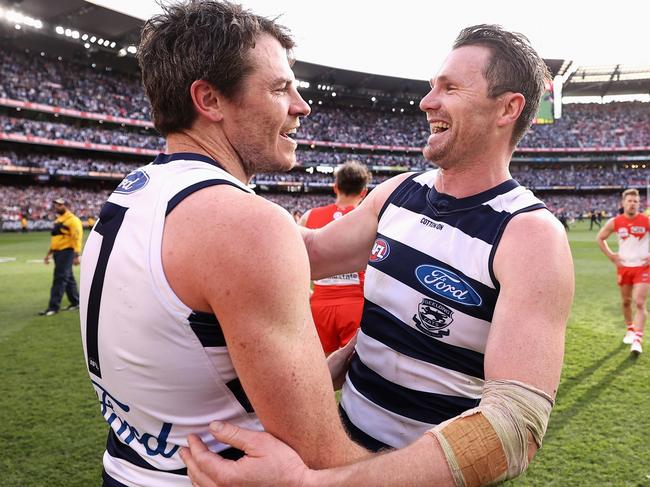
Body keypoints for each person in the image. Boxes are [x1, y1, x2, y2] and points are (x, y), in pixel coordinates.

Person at [180, 24, 574, 486]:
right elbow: (305, 252)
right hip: (341, 444)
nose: (428, 102)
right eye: (432, 86)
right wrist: (203, 185)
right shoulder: (398, 194)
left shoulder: (529, 234)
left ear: (508, 108)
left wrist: (307, 484)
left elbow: (513, 430)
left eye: (450, 88)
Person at [79, 3, 366, 486]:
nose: (302, 105)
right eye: (280, 88)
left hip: (132, 468)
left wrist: (315, 375)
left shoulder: (142, 188)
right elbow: (322, 457)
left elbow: (190, 357)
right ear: (209, 100)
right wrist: (467, 453)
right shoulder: (244, 224)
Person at [298, 161, 371, 355]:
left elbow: (293, 259)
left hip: (319, 302)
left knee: (319, 368)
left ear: (335, 187)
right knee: (355, 368)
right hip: (357, 302)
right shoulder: (371, 220)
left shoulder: (309, 215)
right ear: (363, 192)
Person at [597, 188, 649, 355]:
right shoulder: (615, 222)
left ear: (639, 204)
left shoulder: (646, 221)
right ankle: (630, 329)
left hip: (643, 267)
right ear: (623, 203)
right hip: (624, 267)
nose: (632, 204)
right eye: (629, 201)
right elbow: (600, 238)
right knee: (626, 301)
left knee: (640, 303)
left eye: (635, 201)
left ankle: (637, 341)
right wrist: (612, 256)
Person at [39, 197, 82, 316]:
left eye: (59, 205)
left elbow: (77, 238)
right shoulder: (59, 220)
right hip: (58, 252)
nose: (57, 207)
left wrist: (77, 255)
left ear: (66, 205)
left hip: (67, 252)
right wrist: (49, 254)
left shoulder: (73, 220)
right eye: (56, 205)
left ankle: (53, 307)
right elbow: (55, 240)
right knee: (68, 278)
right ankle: (76, 302)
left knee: (60, 278)